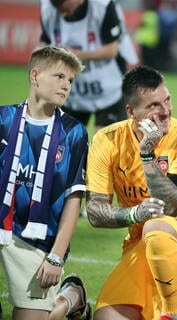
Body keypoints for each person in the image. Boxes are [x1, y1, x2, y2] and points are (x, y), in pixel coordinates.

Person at [86, 65, 177, 320]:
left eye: (167, 100)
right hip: (141, 243)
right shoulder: (107, 140)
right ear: (131, 112)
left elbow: (172, 207)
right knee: (106, 317)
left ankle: (173, 314)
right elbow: (94, 212)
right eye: (153, 106)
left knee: (157, 226)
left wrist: (147, 156)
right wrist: (134, 214)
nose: (165, 111)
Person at [0, 45, 90, 320]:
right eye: (59, 77)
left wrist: (56, 256)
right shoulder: (3, 119)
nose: (66, 86)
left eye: (70, 81)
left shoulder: (73, 132)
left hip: (37, 241)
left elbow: (73, 200)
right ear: (35, 76)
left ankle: (71, 297)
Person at [39, 0, 138, 132]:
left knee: (108, 147)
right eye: (55, 4)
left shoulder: (102, 7)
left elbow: (112, 50)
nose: (59, 8)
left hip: (109, 93)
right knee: (66, 146)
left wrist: (76, 55)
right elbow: (44, 42)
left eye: (61, 3)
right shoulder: (48, 8)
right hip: (72, 95)